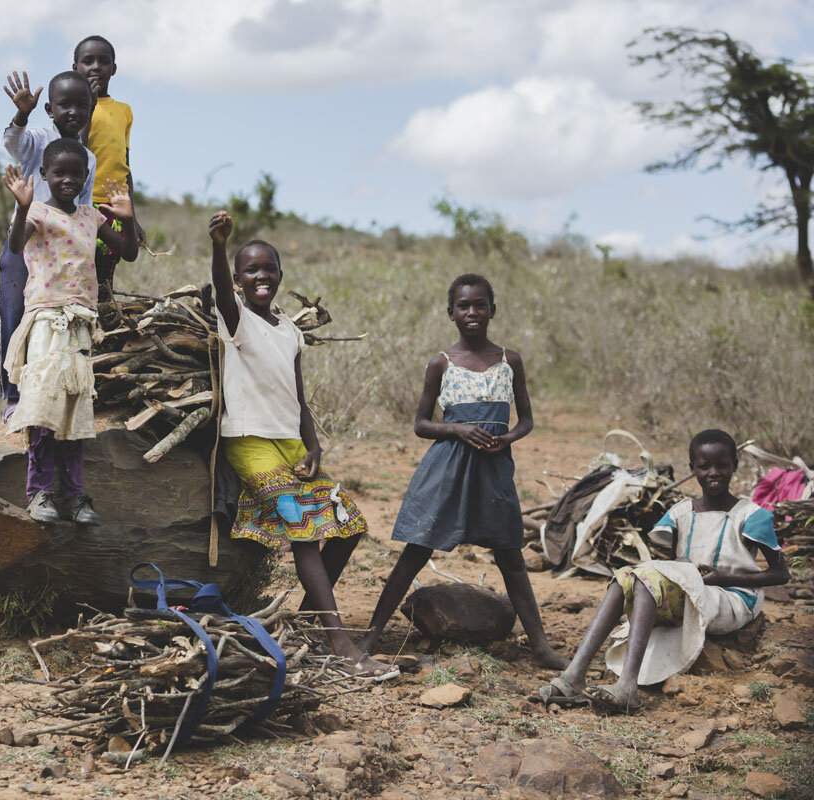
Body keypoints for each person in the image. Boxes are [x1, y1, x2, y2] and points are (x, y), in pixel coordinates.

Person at [207, 210, 389, 677]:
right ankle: (340, 645)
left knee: (349, 525)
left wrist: (315, 448)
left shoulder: (289, 329)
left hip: (291, 443)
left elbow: (299, 395)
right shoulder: (237, 321)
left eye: (269, 268)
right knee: (305, 533)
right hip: (249, 442)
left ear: (281, 275)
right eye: (250, 270)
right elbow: (223, 295)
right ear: (239, 280)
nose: (261, 276)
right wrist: (218, 246)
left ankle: (311, 619)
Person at [359, 274, 567, 669]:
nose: (472, 312)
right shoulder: (442, 363)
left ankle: (540, 646)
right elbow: (421, 424)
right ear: (451, 312)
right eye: (464, 306)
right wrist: (455, 428)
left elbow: (526, 420)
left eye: (480, 305)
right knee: (417, 549)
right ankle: (371, 635)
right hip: (448, 468)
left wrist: (506, 439)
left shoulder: (510, 360)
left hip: (493, 469)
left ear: (493, 309)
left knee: (510, 556)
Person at [538, 429, 789, 713]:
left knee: (646, 580)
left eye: (722, 464)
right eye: (704, 466)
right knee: (624, 580)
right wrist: (684, 568)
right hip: (691, 591)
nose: (713, 473)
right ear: (692, 467)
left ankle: (627, 685)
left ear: (735, 465)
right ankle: (574, 675)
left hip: (731, 596)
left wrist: (723, 577)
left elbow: (781, 574)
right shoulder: (681, 512)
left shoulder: (750, 515)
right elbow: (671, 566)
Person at [1, 138, 138, 525]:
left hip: (81, 322)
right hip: (47, 319)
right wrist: (22, 206)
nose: (68, 180)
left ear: (85, 177)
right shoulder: (38, 213)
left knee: (76, 409)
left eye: (77, 174)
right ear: (44, 175)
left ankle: (76, 497)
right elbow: (14, 245)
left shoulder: (90, 216)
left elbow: (127, 253)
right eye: (59, 173)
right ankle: (40, 493)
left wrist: (126, 218)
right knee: (44, 407)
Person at [0, 70, 97, 419]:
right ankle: (13, 395)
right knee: (13, 307)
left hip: (61, 254)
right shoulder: (36, 139)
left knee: (61, 321)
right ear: (50, 109)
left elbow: (82, 208)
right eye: (64, 105)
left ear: (90, 109)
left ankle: (58, 390)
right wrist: (22, 114)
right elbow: (13, 145)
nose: (73, 112)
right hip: (25, 241)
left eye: (81, 105)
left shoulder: (88, 158)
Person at [73, 34, 142, 301]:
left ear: (113, 68)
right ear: (75, 67)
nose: (96, 67)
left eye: (104, 61)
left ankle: (101, 330)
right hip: (82, 205)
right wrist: (87, 104)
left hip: (113, 208)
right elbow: (77, 147)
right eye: (87, 61)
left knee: (104, 278)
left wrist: (132, 219)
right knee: (79, 273)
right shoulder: (73, 107)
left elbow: (124, 165)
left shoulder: (124, 111)